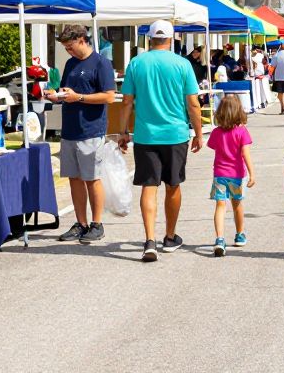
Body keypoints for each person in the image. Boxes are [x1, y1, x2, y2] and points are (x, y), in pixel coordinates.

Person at [117, 20, 204, 263]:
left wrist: (122, 131)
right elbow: (193, 103)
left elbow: (126, 102)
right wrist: (198, 133)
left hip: (146, 134)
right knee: (173, 185)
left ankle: (149, 240)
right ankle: (170, 236)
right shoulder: (182, 64)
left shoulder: (136, 63)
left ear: (150, 38)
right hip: (175, 134)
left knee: (149, 186)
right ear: (171, 38)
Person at [46, 25, 116, 244]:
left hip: (91, 130)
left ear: (82, 40)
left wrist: (80, 98)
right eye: (66, 48)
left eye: (70, 46)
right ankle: (81, 223)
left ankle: (97, 224)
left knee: (92, 178)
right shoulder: (70, 64)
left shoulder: (101, 63)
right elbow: (68, 92)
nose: (69, 51)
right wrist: (56, 96)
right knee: (74, 179)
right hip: (69, 130)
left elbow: (109, 97)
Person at [207, 96, 255, 257]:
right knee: (237, 205)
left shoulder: (216, 133)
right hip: (237, 174)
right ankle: (240, 234)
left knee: (220, 206)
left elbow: (213, 147)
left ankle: (219, 238)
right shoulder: (242, 132)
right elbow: (245, 154)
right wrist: (252, 173)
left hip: (219, 174)